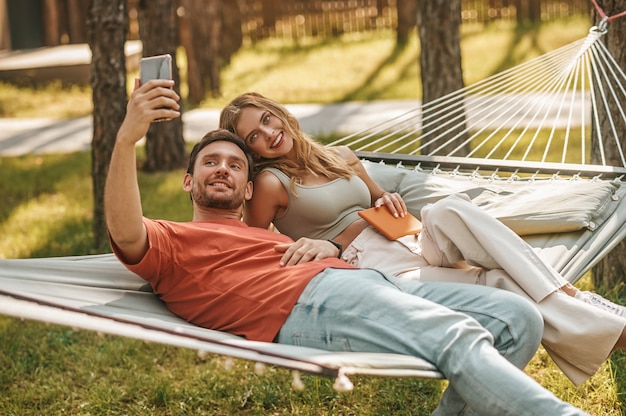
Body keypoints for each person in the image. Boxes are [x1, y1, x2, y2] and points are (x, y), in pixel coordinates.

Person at [105, 79, 589, 416]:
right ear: (189, 181)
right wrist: (128, 137)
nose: (223, 170)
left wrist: (323, 250)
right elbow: (126, 231)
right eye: (210, 162)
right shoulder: (171, 240)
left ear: (248, 188)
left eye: (235, 164)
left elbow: (310, 233)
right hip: (307, 305)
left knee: (519, 319)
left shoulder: (260, 232)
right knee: (456, 335)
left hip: (361, 278)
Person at [219, 91, 626, 386]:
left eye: (267, 120)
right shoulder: (272, 182)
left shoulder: (339, 155)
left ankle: (567, 293)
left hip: (409, 239)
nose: (267, 134)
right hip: (373, 270)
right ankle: (606, 325)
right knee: (501, 285)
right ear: (252, 151)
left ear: (280, 114)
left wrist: (388, 197)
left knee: (448, 208)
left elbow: (378, 199)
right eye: (253, 136)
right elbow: (256, 249)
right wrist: (327, 248)